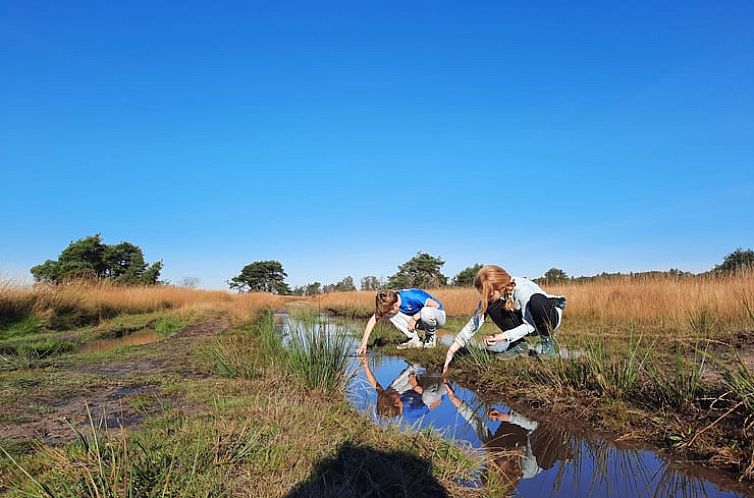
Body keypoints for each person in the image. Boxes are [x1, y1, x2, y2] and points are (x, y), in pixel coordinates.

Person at [443, 265, 566, 374]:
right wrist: (452, 350)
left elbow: (530, 325)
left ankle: (548, 343)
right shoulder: (493, 296)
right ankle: (518, 345)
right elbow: (474, 323)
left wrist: (502, 337)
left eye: (490, 295)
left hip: (547, 318)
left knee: (537, 300)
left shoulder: (522, 289)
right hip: (526, 322)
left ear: (500, 287)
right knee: (490, 305)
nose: (487, 298)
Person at [356, 289, 446, 355]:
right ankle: (415, 340)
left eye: (388, 310)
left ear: (395, 306)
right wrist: (363, 343)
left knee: (426, 311)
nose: (386, 313)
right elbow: (373, 320)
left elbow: (436, 305)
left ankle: (430, 339)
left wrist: (414, 318)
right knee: (390, 315)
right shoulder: (390, 301)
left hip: (438, 317)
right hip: (421, 320)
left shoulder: (412, 296)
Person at [359, 355, 446, 420]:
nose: (393, 392)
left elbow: (376, 386)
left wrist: (365, 365)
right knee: (427, 397)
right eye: (393, 394)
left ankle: (416, 364)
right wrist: (416, 386)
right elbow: (436, 402)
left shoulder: (389, 396)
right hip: (437, 389)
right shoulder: (412, 412)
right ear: (396, 403)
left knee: (392, 388)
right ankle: (442, 374)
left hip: (420, 381)